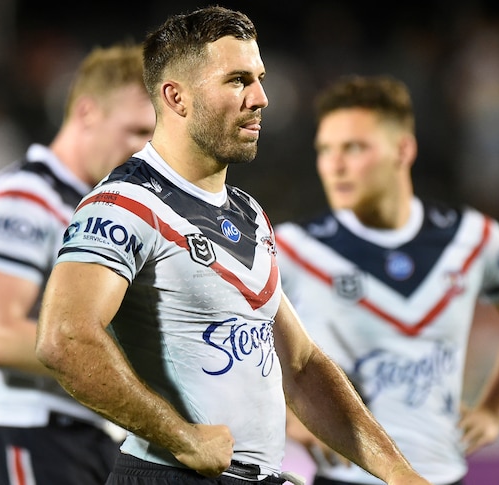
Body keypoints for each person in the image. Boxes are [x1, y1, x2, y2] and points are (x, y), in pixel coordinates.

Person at [34, 6, 431, 485]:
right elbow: (65, 338)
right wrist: (180, 436)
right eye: (238, 80)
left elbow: (301, 366)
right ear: (176, 97)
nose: (261, 98)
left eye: (259, 78)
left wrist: (400, 475)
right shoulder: (122, 204)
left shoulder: (247, 213)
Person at [275, 75, 499, 485]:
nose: (334, 165)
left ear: (403, 149)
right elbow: (232, 342)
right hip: (345, 479)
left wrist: (494, 410)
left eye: (354, 148)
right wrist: (288, 412)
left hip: (443, 475)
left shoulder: (472, 238)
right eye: (325, 150)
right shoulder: (291, 248)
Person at [0, 43, 156, 485]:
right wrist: (125, 362)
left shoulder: (100, 208)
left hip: (94, 436)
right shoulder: (25, 196)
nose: (145, 152)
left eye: (153, 137)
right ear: (87, 112)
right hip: (35, 433)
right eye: (135, 131)